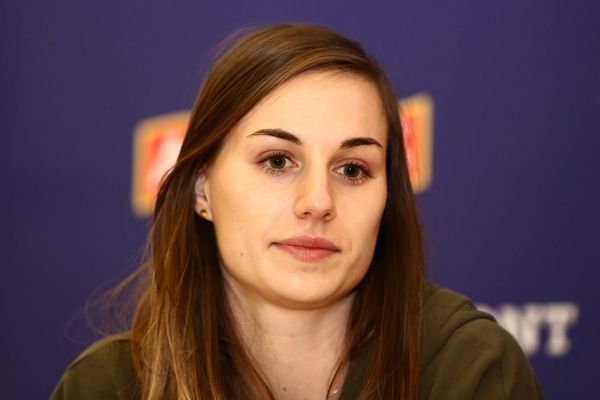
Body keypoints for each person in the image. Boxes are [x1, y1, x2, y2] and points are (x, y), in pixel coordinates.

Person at [51, 24, 543, 399]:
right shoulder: (107, 385)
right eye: (277, 161)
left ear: (388, 199)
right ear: (202, 188)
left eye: (352, 170)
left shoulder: (469, 370)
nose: (317, 203)